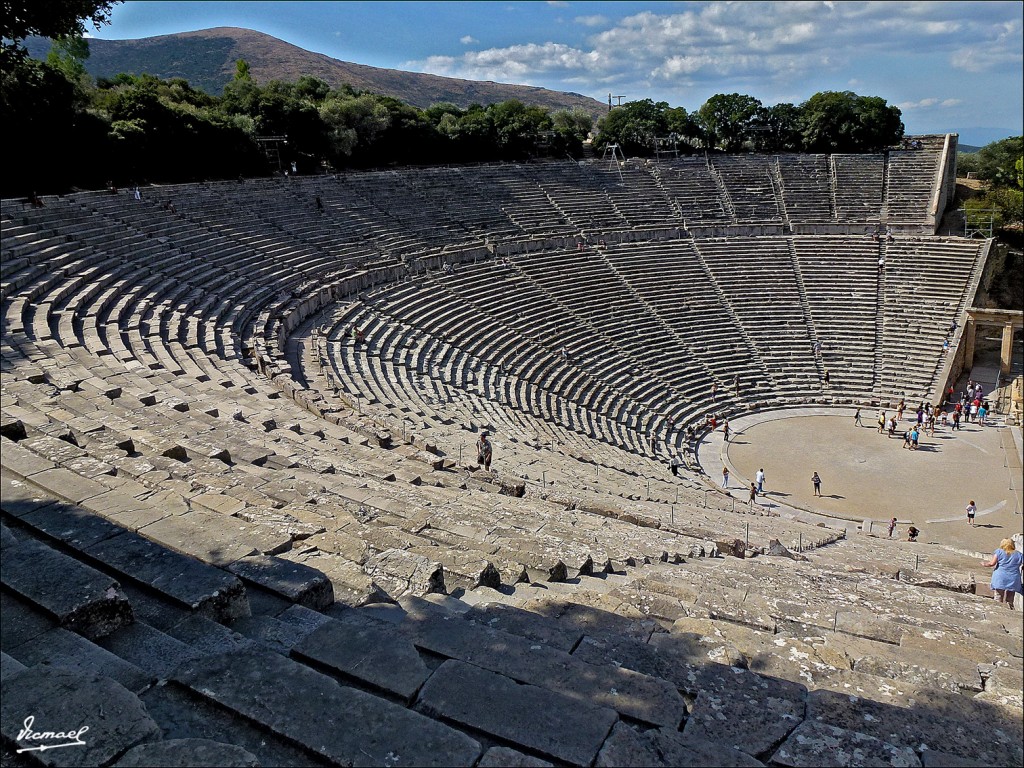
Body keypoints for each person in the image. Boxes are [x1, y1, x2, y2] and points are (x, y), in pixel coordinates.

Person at [981, 539, 1023, 608]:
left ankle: (997, 610)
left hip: (1000, 577)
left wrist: (984, 564)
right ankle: (1010, 611)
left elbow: (992, 563)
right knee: (1010, 599)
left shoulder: (999, 552)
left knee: (998, 596)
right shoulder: (1019, 554)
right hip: (1013, 578)